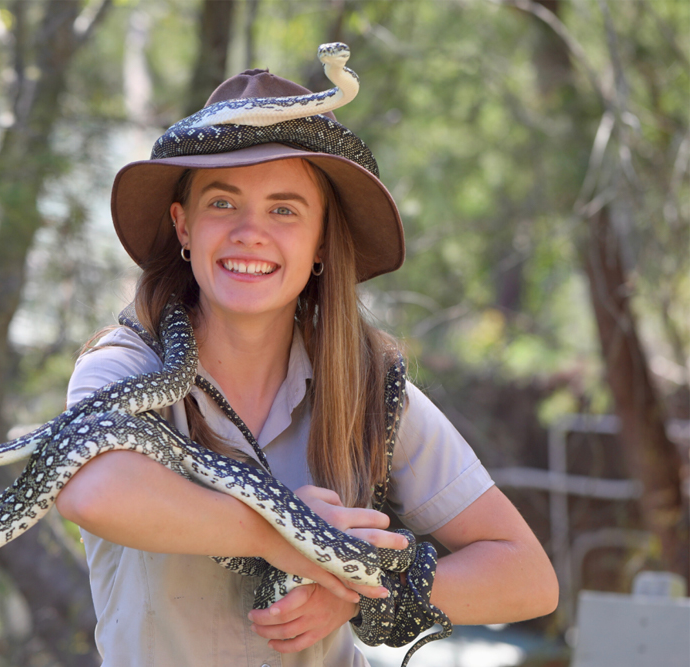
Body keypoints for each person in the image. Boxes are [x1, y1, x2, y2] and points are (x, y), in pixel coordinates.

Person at [56, 65, 558, 666]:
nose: (250, 233)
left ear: (322, 240)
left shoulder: (368, 386)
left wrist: (358, 593)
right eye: (223, 203)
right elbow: (94, 491)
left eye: (285, 210)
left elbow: (528, 576)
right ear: (184, 226)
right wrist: (288, 534)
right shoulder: (124, 366)